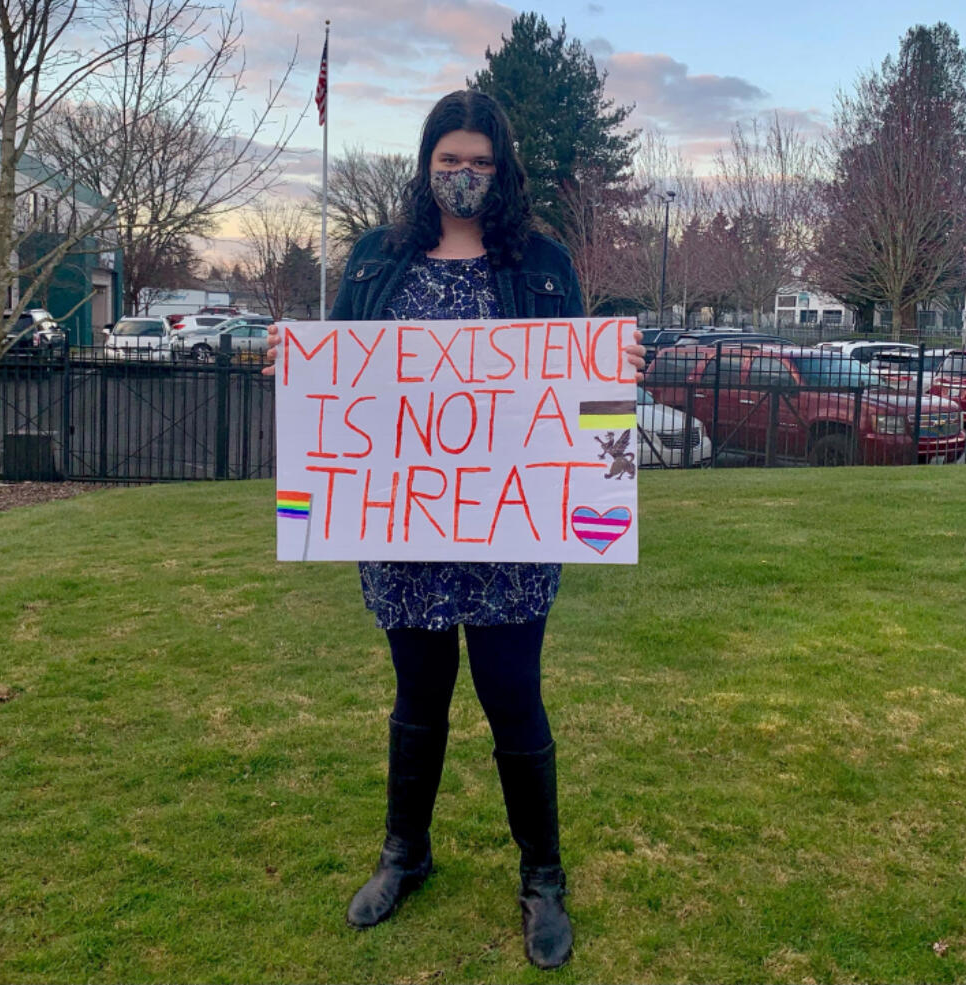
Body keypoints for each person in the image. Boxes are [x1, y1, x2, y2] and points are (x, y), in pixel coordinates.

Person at [263, 89, 646, 970]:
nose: (463, 176)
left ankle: (542, 876)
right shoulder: (373, 260)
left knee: (513, 694)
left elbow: (581, 395)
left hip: (512, 532)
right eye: (448, 160)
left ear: (501, 169)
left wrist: (613, 374)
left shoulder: (542, 263)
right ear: (425, 163)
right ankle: (406, 852)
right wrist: (297, 364)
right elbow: (339, 382)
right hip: (406, 531)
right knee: (419, 694)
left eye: (479, 162)